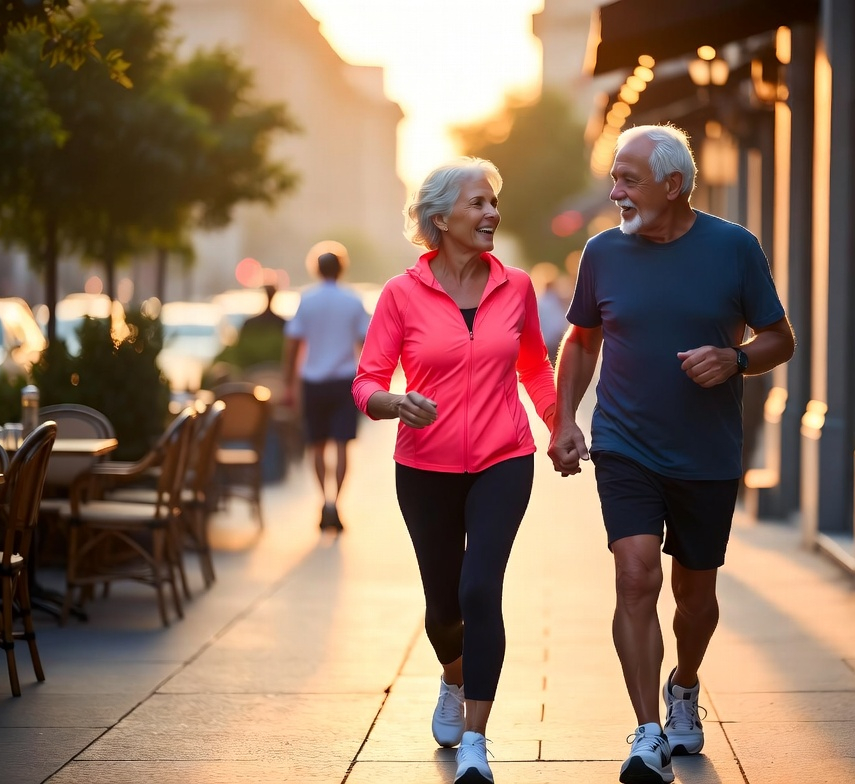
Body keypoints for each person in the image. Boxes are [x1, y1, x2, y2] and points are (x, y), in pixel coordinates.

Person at [547, 124, 795, 784]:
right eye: (614, 178)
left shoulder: (734, 249)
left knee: (695, 594)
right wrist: (565, 419)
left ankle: (683, 686)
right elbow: (581, 341)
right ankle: (647, 730)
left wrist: (735, 359)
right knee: (634, 574)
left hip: (706, 452)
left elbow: (781, 339)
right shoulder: (601, 253)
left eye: (628, 179)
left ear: (674, 186)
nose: (615, 190)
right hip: (624, 443)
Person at [352, 157, 556, 784]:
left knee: (478, 588)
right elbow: (367, 381)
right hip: (425, 467)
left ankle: (476, 737)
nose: (492, 213)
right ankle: (452, 675)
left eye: (493, 202)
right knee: (441, 606)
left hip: (504, 457)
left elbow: (533, 367)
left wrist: (559, 426)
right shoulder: (400, 294)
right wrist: (393, 403)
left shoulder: (515, 286)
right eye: (478, 203)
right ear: (441, 219)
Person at [282, 246, 371, 531]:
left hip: (314, 382)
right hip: (345, 381)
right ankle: (337, 503)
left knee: (317, 445)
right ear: (341, 268)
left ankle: (324, 500)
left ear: (317, 269)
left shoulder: (306, 301)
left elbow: (293, 344)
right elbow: (367, 343)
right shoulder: (353, 300)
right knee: (343, 445)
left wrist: (288, 384)